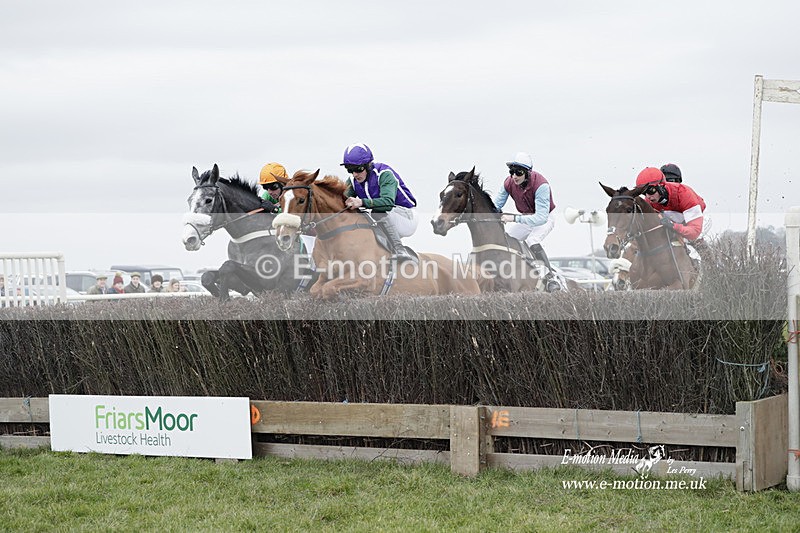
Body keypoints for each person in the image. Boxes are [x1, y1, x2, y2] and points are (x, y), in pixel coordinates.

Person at [493, 151, 561, 291]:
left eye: (518, 172)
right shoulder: (508, 183)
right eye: (511, 172)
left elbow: (540, 218)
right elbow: (496, 206)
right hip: (527, 217)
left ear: (527, 172)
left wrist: (513, 218)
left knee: (532, 240)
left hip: (545, 217)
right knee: (508, 238)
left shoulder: (541, 185)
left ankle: (550, 277)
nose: (514, 176)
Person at [341, 143, 419, 263]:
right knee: (357, 214)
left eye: (358, 169)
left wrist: (361, 202)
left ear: (368, 166)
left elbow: (387, 203)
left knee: (377, 211)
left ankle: (399, 249)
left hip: (406, 216)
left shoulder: (384, 174)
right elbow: (341, 202)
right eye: (350, 170)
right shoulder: (352, 180)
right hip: (387, 218)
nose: (355, 174)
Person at [635, 167, 708, 243]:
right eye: (644, 192)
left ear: (661, 186)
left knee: (691, 244)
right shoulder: (649, 200)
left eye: (650, 191)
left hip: (695, 223)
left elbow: (694, 232)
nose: (648, 196)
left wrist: (673, 226)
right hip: (674, 220)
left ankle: (707, 254)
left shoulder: (685, 195)